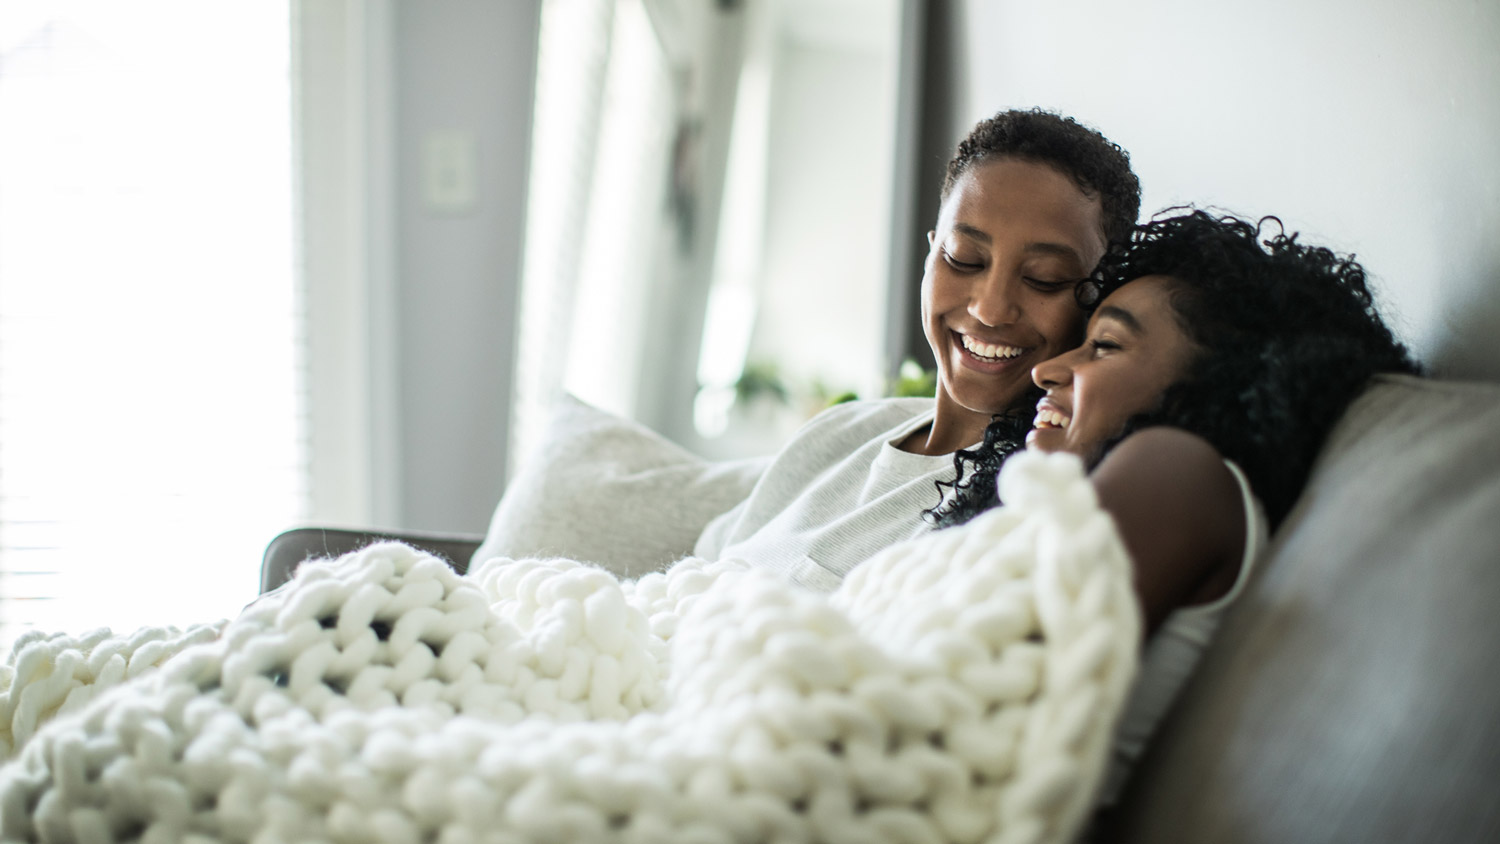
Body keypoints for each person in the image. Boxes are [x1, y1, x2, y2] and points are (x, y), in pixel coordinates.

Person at [931, 207, 1420, 805]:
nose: (1049, 370)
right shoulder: (1119, 497)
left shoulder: (1176, 468)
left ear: (1216, 386)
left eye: (1104, 346)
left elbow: (982, 695)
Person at [693, 108, 1141, 589]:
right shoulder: (841, 432)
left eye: (1043, 279)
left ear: (1101, 300)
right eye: (964, 259)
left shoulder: (1027, 502)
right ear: (930, 254)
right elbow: (698, 572)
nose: (990, 309)